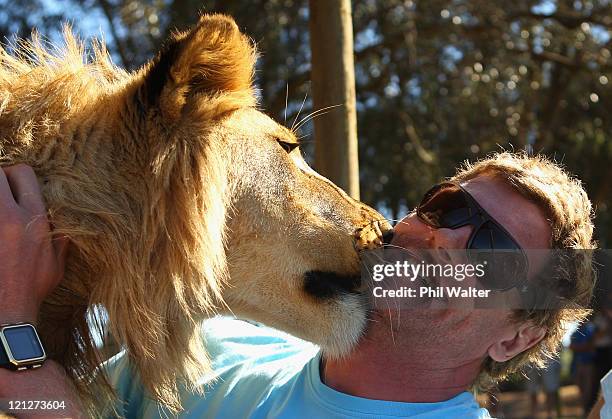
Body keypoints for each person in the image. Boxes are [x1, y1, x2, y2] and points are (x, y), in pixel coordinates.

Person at [0, 152, 597, 418]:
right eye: (449, 207)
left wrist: (15, 337)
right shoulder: (216, 341)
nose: (447, 241)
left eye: (495, 250)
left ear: (516, 338)